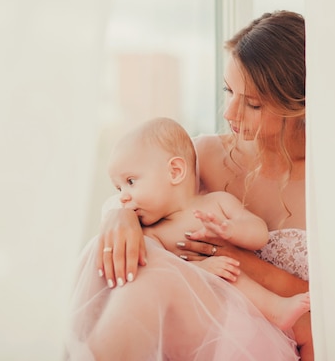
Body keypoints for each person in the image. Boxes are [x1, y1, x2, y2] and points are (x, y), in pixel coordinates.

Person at [68, 10, 311, 360]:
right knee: (143, 270)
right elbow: (146, 193)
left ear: (298, 106)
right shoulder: (206, 155)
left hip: (272, 338)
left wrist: (234, 258)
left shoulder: (329, 186)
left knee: (155, 277)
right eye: (228, 91)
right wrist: (121, 217)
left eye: (253, 103)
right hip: (201, 321)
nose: (229, 113)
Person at [106, 116, 310, 331]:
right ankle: (275, 310)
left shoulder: (217, 202)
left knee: (231, 271)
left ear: (175, 172)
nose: (123, 197)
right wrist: (200, 268)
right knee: (225, 272)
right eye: (119, 188)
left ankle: (276, 309)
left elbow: (260, 235)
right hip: (201, 318)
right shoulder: (153, 233)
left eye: (130, 182)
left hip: (244, 315)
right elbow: (163, 274)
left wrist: (232, 230)